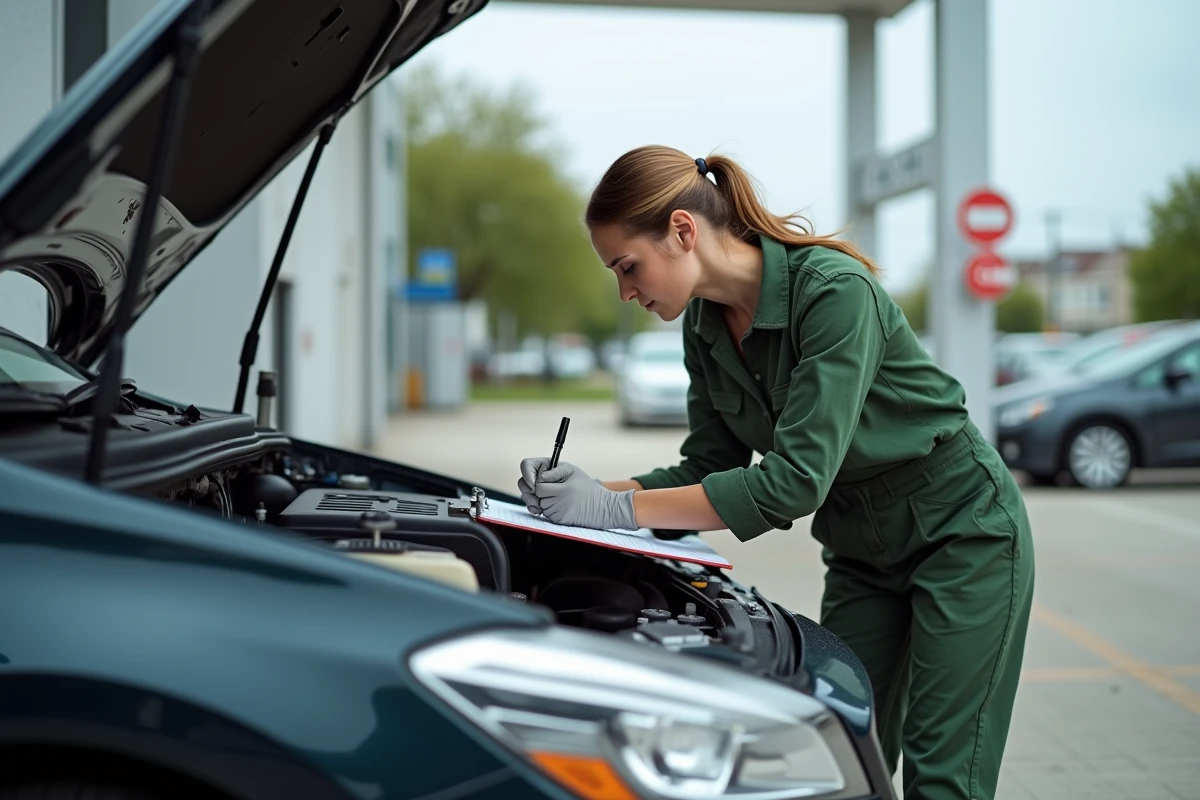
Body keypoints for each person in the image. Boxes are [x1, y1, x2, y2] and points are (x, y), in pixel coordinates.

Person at [518, 145, 1034, 800]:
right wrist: (587, 494)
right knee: (837, 748)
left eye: (628, 267)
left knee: (943, 775)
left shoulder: (834, 293)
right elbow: (708, 465)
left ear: (682, 231)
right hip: (861, 552)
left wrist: (615, 511)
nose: (625, 292)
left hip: (963, 534)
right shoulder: (702, 326)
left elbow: (793, 482)